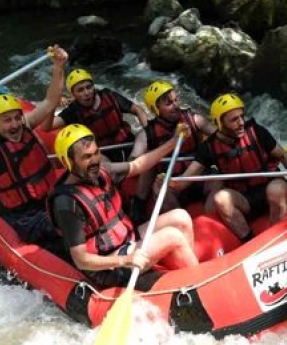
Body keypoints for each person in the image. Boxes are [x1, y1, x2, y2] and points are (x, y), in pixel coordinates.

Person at [47, 123, 199, 290]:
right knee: (172, 236)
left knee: (181, 217)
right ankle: (199, 285)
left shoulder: (101, 172)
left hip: (127, 240)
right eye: (86, 157)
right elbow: (81, 260)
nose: (95, 161)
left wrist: (174, 141)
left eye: (96, 153)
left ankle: (187, 273)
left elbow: (138, 165)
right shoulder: (66, 203)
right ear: (67, 162)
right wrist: (125, 260)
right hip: (108, 265)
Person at [0, 45, 69, 257]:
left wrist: (58, 66)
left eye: (17, 117)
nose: (15, 124)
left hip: (50, 200)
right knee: (71, 216)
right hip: (26, 218)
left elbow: (51, 100)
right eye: (7, 121)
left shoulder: (26, 125)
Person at [172, 93, 287, 243]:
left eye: (241, 116)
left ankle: (278, 238)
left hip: (272, 187)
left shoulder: (256, 131)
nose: (241, 123)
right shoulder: (209, 147)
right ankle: (249, 242)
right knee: (221, 198)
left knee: (275, 189)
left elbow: (283, 155)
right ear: (219, 123)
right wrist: (168, 182)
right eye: (234, 120)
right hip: (246, 199)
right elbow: (186, 179)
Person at [129, 80, 217, 221]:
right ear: (156, 109)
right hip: (174, 185)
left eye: (176, 100)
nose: (176, 105)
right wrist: (149, 159)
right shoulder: (147, 134)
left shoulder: (195, 120)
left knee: (217, 180)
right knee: (158, 186)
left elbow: (221, 138)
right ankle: (175, 220)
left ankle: (210, 222)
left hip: (200, 178)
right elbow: (133, 162)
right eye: (168, 103)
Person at [39, 68, 148, 162]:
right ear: (73, 95)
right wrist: (53, 105)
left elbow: (138, 110)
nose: (87, 93)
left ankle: (133, 161)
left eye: (89, 87)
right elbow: (46, 127)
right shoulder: (73, 111)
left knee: (145, 133)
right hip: (103, 152)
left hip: (128, 143)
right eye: (80, 90)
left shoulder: (109, 95)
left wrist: (149, 130)